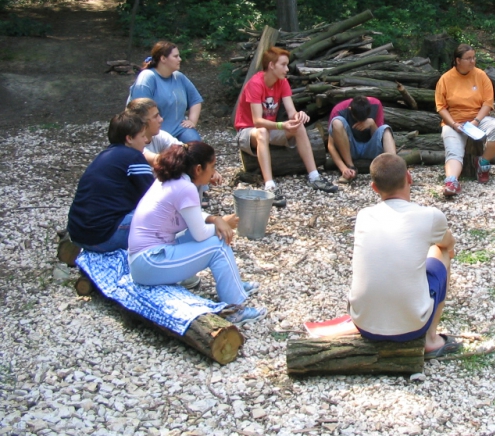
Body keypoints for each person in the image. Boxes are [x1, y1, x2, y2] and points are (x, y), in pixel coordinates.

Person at [128, 142, 266, 327]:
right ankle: (235, 311)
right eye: (213, 166)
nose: (213, 172)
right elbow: (200, 234)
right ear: (199, 168)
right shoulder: (186, 188)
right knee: (218, 246)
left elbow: (192, 216)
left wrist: (215, 219)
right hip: (148, 263)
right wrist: (223, 224)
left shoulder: (172, 179)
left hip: (145, 259)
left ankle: (234, 285)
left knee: (212, 237)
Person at [348, 154, 461, 358]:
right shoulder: (430, 216)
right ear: (409, 177)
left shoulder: (363, 215)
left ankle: (379, 312)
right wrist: (449, 249)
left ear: (374, 188)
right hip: (412, 326)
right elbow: (447, 243)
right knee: (440, 251)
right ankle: (430, 339)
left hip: (363, 324)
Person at [234, 46, 338, 207]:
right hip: (248, 131)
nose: (287, 69)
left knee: (299, 127)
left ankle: (314, 176)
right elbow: (257, 121)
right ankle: (269, 185)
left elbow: (291, 112)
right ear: (271, 66)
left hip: (271, 129)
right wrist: (281, 125)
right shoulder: (255, 84)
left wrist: (299, 116)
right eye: (283, 65)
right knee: (262, 131)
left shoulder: (282, 82)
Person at [67, 112, 154, 252]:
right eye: (143, 136)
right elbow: (155, 197)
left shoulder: (105, 156)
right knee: (162, 218)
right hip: (104, 236)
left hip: (78, 234)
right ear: (129, 138)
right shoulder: (133, 157)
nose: (146, 141)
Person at [434, 44, 495, 197]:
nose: (472, 61)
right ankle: (452, 181)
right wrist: (453, 124)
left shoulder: (481, 75)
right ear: (457, 60)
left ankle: (483, 163)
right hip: (454, 122)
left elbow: (488, 103)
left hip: (478, 119)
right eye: (468, 59)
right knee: (453, 150)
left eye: (474, 58)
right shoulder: (445, 79)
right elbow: (441, 107)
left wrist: (476, 121)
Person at [128, 41, 204, 143]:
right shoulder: (147, 77)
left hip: (179, 129)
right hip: (154, 132)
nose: (180, 59)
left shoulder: (179, 77)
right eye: (176, 56)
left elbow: (195, 100)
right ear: (163, 58)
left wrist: (192, 121)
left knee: (196, 147)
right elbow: (138, 112)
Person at [327, 96, 396, 183]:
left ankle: (395, 169)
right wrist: (343, 168)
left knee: (386, 129)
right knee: (337, 122)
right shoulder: (338, 110)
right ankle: (351, 167)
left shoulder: (376, 104)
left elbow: (379, 135)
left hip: (370, 148)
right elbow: (331, 145)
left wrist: (372, 124)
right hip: (350, 149)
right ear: (350, 109)